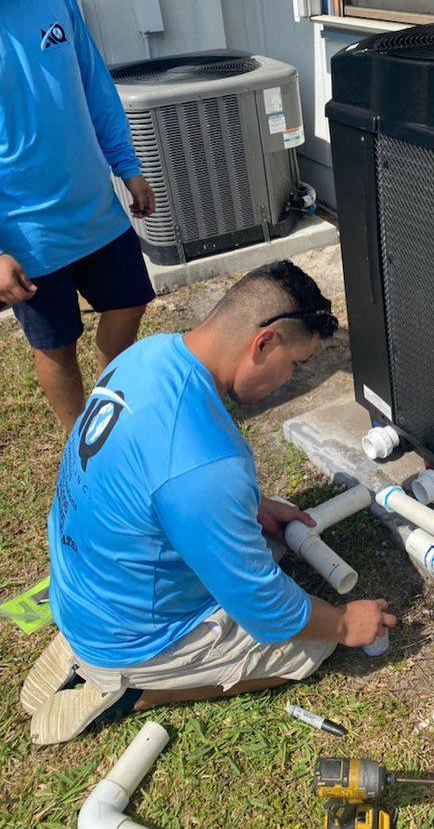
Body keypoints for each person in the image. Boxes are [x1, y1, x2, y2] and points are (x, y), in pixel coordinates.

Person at [22, 260, 397, 746]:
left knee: (263, 540)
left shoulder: (145, 356)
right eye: (296, 365)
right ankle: (134, 691)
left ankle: (92, 645)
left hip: (79, 586)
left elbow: (152, 475)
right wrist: (345, 624)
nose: (290, 380)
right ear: (264, 343)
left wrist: (253, 507)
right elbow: (266, 609)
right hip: (127, 633)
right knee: (307, 650)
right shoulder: (207, 463)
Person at [0, 0, 157, 433]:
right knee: (56, 344)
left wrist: (127, 163)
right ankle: (79, 446)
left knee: (131, 302)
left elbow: (90, 75)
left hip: (93, 204)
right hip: (25, 229)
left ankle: (110, 406)